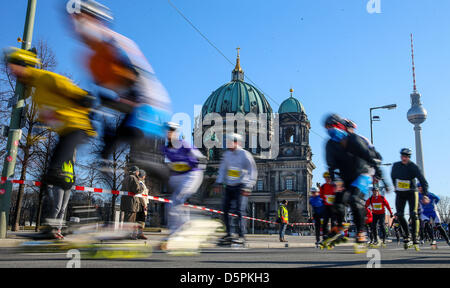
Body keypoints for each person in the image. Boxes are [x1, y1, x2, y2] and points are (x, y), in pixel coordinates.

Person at [69, 0, 171, 178]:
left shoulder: (112, 44)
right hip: (139, 104)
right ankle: (109, 159)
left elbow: (135, 77)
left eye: (80, 20)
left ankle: (161, 173)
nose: (76, 27)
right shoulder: (94, 58)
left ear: (95, 20)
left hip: (148, 104)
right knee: (113, 136)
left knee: (128, 141)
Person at [6, 48, 96, 239]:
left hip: (77, 127)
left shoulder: (43, 78)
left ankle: (84, 221)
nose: (12, 72)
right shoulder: (36, 90)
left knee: (55, 175)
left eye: (14, 67)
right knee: (48, 176)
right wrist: (35, 135)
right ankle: (52, 227)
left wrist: (82, 96)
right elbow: (44, 117)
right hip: (66, 131)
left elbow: (62, 83)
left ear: (24, 65)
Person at [323, 114, 384, 250]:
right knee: (338, 200)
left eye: (333, 127)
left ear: (341, 127)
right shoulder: (330, 145)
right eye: (328, 128)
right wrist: (334, 181)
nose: (330, 130)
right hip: (346, 175)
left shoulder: (355, 140)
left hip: (362, 172)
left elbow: (370, 156)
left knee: (355, 200)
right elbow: (331, 166)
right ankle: (340, 226)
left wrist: (378, 173)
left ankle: (361, 233)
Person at [162, 122, 205, 241]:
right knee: (173, 203)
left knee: (176, 201)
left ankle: (178, 233)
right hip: (180, 177)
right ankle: (183, 228)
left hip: (192, 175)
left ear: (176, 133)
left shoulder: (184, 145)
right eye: (167, 132)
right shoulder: (166, 149)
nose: (168, 134)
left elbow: (201, 159)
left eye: (171, 131)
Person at [214, 133, 257, 245]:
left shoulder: (245, 154)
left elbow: (252, 171)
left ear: (236, 142)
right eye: (227, 142)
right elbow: (222, 169)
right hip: (229, 185)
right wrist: (218, 183)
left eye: (230, 142)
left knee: (240, 210)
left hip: (241, 185)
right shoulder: (227, 155)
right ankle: (229, 234)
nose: (228, 144)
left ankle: (242, 236)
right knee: (225, 210)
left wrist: (248, 187)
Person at [391, 148, 429, 250]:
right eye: (403, 156)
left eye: (406, 157)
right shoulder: (396, 166)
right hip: (400, 193)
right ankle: (407, 235)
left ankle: (415, 236)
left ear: (409, 157)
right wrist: (394, 185)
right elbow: (393, 176)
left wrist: (425, 194)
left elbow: (423, 181)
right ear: (401, 156)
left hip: (412, 192)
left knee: (413, 213)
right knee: (399, 214)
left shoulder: (413, 167)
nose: (404, 158)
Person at [418, 183, 450, 247]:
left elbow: (437, 198)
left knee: (438, 226)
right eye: (418, 188)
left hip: (433, 211)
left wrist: (433, 203)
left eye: (420, 187)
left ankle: (447, 239)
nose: (419, 189)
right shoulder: (418, 195)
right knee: (426, 224)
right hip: (425, 212)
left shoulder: (430, 194)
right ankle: (432, 239)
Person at [120, 166, 144, 238]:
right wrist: (141, 186)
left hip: (126, 202)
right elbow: (137, 190)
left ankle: (127, 234)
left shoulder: (126, 178)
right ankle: (128, 235)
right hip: (131, 202)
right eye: (138, 171)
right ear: (136, 172)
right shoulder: (133, 178)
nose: (138, 173)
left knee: (127, 219)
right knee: (130, 219)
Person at [318, 172, 336, 239]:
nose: (327, 179)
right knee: (325, 221)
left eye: (328, 178)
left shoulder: (334, 186)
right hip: (326, 206)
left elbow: (338, 195)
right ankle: (325, 235)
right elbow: (321, 195)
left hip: (333, 206)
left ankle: (332, 234)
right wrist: (325, 198)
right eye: (326, 178)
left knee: (333, 221)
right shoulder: (323, 186)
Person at [135, 169, 149, 240]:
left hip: (142, 203)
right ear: (143, 176)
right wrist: (144, 205)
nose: (145, 177)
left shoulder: (141, 182)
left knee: (141, 219)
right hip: (142, 203)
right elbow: (142, 195)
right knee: (141, 219)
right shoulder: (140, 183)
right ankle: (140, 234)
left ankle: (139, 233)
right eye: (144, 175)